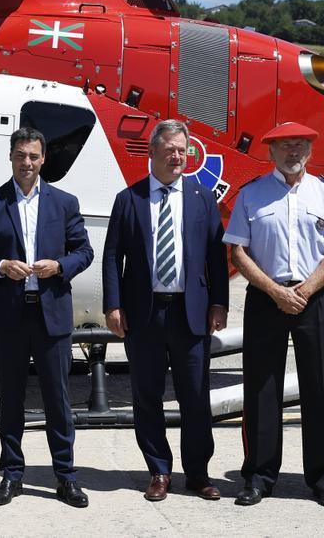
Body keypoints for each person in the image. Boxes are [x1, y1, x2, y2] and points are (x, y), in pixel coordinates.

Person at [0, 128, 94, 509]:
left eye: (34, 156)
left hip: (51, 314)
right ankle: (12, 474)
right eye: (21, 155)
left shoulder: (64, 202)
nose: (27, 163)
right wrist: (2, 266)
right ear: (11, 157)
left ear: (43, 160)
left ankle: (66, 477)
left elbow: (84, 251)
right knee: (12, 399)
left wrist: (60, 265)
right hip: (11, 316)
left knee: (58, 398)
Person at [223, 122, 324, 509]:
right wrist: (276, 291)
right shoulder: (252, 195)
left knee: (320, 388)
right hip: (266, 297)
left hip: (315, 297)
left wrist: (306, 290)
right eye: (285, 147)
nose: (293, 152)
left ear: (309, 151)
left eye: (300, 146)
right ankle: (258, 476)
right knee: (261, 389)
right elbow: (238, 251)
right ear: (271, 152)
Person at [102, 119, 228, 503]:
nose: (177, 156)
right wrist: (113, 305)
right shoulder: (130, 199)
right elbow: (111, 257)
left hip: (191, 313)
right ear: (153, 152)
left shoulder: (202, 197)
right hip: (145, 313)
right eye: (170, 149)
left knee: (195, 396)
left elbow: (215, 256)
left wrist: (219, 302)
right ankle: (158, 470)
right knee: (147, 395)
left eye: (182, 150)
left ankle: (197, 473)